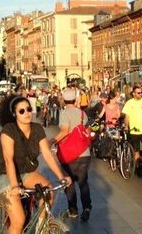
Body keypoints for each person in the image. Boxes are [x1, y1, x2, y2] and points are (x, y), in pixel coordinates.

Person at [0, 96, 70, 234]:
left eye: (29, 109)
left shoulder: (37, 129)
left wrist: (61, 176)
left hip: (27, 172)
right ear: (14, 114)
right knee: (19, 221)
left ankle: (40, 227)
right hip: (6, 175)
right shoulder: (8, 130)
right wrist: (15, 186)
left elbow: (47, 153)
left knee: (48, 192)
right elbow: (8, 160)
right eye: (21, 111)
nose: (27, 113)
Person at [52, 87, 92, 222]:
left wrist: (51, 141)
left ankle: (73, 210)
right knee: (83, 182)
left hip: (68, 154)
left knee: (69, 182)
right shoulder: (82, 114)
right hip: (84, 153)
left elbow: (64, 131)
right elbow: (88, 131)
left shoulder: (64, 113)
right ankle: (87, 207)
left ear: (63, 99)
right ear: (75, 100)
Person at [122, 86, 142, 170]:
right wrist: (126, 126)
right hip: (134, 131)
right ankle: (137, 167)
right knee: (136, 151)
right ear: (134, 94)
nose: (140, 94)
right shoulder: (129, 103)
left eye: (141, 93)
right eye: (138, 93)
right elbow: (127, 117)